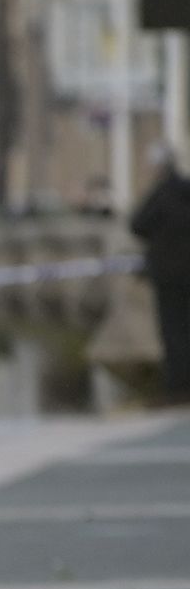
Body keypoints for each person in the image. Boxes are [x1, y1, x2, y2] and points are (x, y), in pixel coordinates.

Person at [131, 152, 190, 405]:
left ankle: (178, 386)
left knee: (173, 331)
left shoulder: (161, 194)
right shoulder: (186, 191)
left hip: (168, 274)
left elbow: (137, 224)